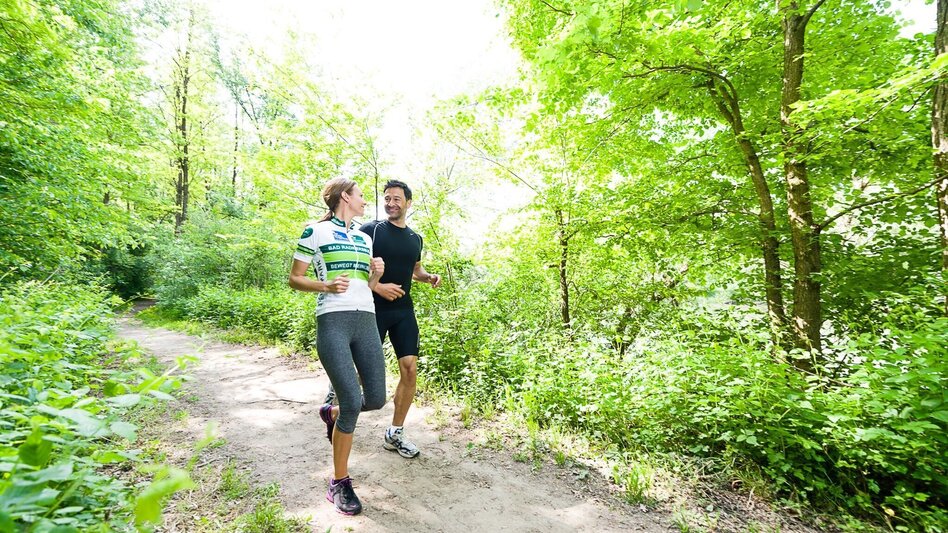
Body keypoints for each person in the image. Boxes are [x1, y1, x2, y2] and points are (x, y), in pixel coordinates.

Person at [288, 177, 386, 516]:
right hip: (333, 321)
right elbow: (295, 278)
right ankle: (339, 482)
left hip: (367, 320)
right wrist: (325, 286)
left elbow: (367, 287)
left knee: (375, 398)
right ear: (345, 196)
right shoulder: (314, 232)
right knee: (351, 404)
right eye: (360, 195)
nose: (363, 200)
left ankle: (331, 414)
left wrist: (375, 274)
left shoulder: (363, 237)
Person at [360, 179, 441, 459]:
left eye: (396, 199)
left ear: (408, 203)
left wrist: (427, 276)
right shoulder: (371, 230)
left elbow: (415, 269)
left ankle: (395, 433)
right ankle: (336, 407)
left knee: (409, 370)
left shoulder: (415, 238)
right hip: (372, 310)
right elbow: (353, 266)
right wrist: (377, 286)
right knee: (362, 374)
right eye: (387, 198)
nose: (391, 203)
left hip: (404, 311)